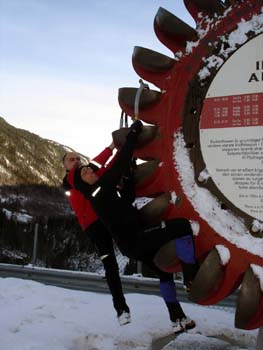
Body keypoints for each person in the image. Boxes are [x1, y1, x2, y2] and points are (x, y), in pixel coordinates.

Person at [66, 120, 199, 334]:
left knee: (164, 273)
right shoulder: (98, 191)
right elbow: (119, 161)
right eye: (85, 173)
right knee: (183, 226)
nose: (90, 172)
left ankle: (177, 318)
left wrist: (127, 176)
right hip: (138, 239)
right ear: (82, 183)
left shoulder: (100, 192)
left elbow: (126, 197)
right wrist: (133, 135)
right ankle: (191, 277)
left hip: (134, 243)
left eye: (90, 170)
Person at [63, 145, 131, 326]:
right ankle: (121, 309)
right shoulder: (71, 178)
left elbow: (103, 167)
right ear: (65, 166)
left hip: (107, 217)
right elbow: (96, 163)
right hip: (94, 226)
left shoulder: (86, 174)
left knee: (132, 247)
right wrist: (112, 148)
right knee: (111, 265)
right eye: (71, 159)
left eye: (78, 158)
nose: (76, 161)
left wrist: (116, 152)